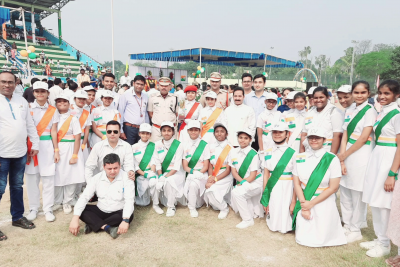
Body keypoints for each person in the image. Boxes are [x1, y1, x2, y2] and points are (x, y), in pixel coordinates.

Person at [361, 80, 400, 258]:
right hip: (378, 156)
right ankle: (379, 238)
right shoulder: (382, 111)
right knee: (375, 201)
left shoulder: (397, 114)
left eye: (387, 93)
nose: (382, 96)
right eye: (380, 93)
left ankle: (385, 244)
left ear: (396, 95)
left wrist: (392, 173)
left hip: (389, 159)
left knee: (383, 203)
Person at [336, 81, 377, 244]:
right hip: (346, 153)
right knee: (345, 190)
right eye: (356, 92)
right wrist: (342, 155)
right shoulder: (349, 109)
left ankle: (356, 228)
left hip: (361, 154)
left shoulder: (370, 111)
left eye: (363, 93)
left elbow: (362, 138)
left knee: (357, 192)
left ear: (368, 94)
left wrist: (344, 154)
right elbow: (345, 133)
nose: (359, 96)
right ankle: (347, 224)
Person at [292, 127, 346, 247]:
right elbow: (296, 183)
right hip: (304, 199)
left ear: (324, 140)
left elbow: (333, 188)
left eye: (317, 138)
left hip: (324, 199)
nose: (314, 140)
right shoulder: (299, 157)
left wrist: (311, 204)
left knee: (322, 238)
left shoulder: (332, 158)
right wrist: (304, 205)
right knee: (303, 238)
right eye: (311, 138)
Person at [0, 71, 39, 241]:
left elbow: (29, 125)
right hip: (1, 154)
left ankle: (17, 217)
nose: (7, 85)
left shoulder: (21, 100)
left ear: (16, 83)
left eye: (10, 82)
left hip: (20, 152)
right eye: (3, 82)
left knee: (17, 186)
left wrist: (35, 144)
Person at [69, 153, 135, 239]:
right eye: (109, 168)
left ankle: (93, 225)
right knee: (82, 210)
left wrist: (125, 220)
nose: (112, 171)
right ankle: (108, 228)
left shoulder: (127, 179)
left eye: (115, 168)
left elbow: (129, 200)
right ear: (104, 167)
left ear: (120, 166)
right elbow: (84, 197)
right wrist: (75, 218)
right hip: (100, 209)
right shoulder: (96, 178)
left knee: (130, 216)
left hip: (118, 211)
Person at [25, 81, 59, 222]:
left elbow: (54, 131)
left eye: (43, 91)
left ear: (47, 93)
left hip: (46, 146)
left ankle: (48, 209)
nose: (40, 94)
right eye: (37, 91)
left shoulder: (53, 110)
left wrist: (56, 150)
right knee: (32, 179)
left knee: (48, 178)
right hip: (31, 146)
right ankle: (33, 208)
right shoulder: (28, 108)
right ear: (33, 93)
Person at [261, 122, 296, 234]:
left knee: (286, 210)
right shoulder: (267, 152)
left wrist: (294, 200)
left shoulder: (294, 153)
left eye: (280, 132)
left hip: (288, 186)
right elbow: (266, 174)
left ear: (287, 134)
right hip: (273, 185)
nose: (277, 134)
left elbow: (297, 177)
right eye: (274, 132)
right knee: (274, 208)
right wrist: (265, 193)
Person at [53, 93, 84, 214]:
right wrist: (55, 149)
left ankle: (68, 200)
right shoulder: (53, 117)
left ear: (69, 103)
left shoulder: (73, 118)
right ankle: (57, 201)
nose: (62, 103)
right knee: (58, 175)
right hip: (58, 149)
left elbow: (77, 138)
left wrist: (75, 154)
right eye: (59, 101)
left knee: (72, 175)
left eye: (64, 101)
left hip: (71, 148)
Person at [230, 129, 263, 229]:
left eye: (245, 138)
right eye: (240, 138)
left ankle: (247, 220)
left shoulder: (254, 154)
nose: (242, 140)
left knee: (236, 192)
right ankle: (248, 215)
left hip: (256, 182)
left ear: (250, 140)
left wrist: (242, 183)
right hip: (244, 182)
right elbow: (234, 171)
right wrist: (242, 182)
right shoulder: (233, 151)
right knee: (236, 191)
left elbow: (253, 175)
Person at [154, 121, 185, 217]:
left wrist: (165, 177)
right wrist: (160, 175)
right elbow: (157, 163)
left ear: (173, 132)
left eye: (169, 130)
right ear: (161, 132)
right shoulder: (156, 144)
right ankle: (155, 204)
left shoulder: (178, 145)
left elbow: (176, 166)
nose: (166, 133)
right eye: (164, 130)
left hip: (175, 173)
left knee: (169, 180)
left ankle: (171, 207)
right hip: (162, 172)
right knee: (153, 180)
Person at [300, 87, 344, 154]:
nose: (318, 100)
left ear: (327, 97)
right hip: (309, 152)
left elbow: (337, 135)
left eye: (321, 97)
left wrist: (331, 157)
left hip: (326, 151)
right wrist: (301, 154)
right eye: (316, 98)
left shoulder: (334, 112)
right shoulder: (310, 112)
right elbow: (304, 134)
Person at [204, 123, 233, 219]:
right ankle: (220, 204)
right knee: (209, 189)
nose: (219, 134)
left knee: (211, 189)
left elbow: (228, 170)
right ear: (214, 133)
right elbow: (210, 165)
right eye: (217, 131)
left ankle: (224, 208)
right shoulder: (210, 146)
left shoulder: (230, 148)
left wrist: (214, 179)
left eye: (222, 131)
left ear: (226, 134)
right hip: (213, 174)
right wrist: (209, 177)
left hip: (225, 175)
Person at [182, 120, 210, 218]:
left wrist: (199, 173)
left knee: (194, 185)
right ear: (188, 131)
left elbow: (206, 166)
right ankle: (192, 208)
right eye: (191, 130)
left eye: (196, 130)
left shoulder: (205, 145)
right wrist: (193, 172)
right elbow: (185, 166)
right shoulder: (184, 145)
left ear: (199, 131)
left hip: (202, 173)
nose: (193, 132)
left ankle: (195, 204)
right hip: (190, 173)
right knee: (193, 185)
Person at [131, 123, 160, 212]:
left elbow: (154, 161)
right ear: (139, 134)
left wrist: (152, 173)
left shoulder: (153, 146)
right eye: (143, 133)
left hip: (151, 172)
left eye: (147, 133)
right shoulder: (133, 147)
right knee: (143, 203)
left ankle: (156, 204)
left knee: (154, 182)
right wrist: (145, 174)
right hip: (139, 174)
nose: (145, 135)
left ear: (150, 135)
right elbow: (134, 165)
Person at [118, 75, 149, 145]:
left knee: (141, 150)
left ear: (144, 85)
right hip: (129, 128)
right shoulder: (126, 95)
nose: (139, 86)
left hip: (141, 129)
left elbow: (145, 114)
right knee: (128, 150)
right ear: (133, 83)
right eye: (137, 84)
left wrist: (147, 128)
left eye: (141, 84)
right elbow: (120, 113)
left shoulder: (145, 96)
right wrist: (121, 130)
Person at [148, 77, 178, 142]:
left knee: (171, 150)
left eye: (166, 86)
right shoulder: (152, 97)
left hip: (171, 130)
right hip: (157, 130)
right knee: (156, 149)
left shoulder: (175, 98)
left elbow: (177, 113)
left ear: (170, 87)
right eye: (162, 85)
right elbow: (150, 113)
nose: (164, 87)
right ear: (158, 86)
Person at [244, 74, 268, 150]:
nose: (257, 84)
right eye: (255, 82)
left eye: (260, 82)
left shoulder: (270, 97)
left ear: (264, 84)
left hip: (264, 131)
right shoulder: (247, 97)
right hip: (250, 131)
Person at [70, 90, 92, 163]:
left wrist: (84, 144)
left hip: (82, 140)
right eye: (79, 98)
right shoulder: (69, 110)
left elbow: (87, 130)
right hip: (70, 141)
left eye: (84, 99)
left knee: (83, 163)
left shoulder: (87, 113)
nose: (82, 101)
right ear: (74, 99)